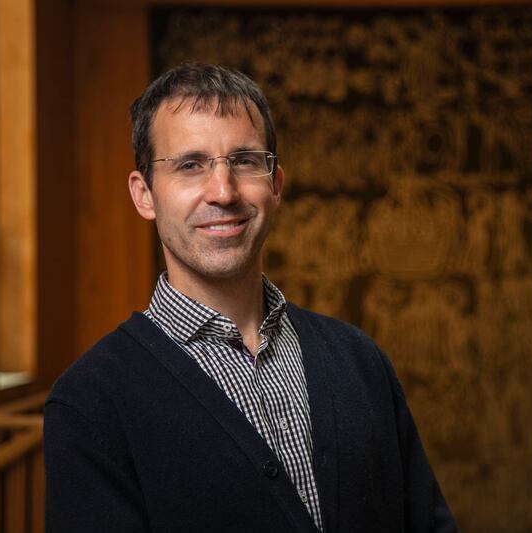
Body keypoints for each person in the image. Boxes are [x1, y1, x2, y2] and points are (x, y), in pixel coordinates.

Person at [44, 63, 457, 533]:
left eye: (244, 161)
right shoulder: (90, 402)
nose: (223, 191)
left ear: (275, 185)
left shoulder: (360, 361)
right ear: (145, 196)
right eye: (190, 165)